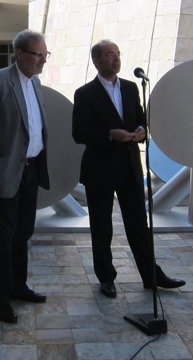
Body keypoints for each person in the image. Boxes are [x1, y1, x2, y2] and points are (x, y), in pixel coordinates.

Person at [72, 40, 185, 298]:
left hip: (129, 168)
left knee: (138, 225)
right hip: (99, 169)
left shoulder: (132, 88)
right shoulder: (84, 93)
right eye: (110, 55)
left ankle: (151, 275)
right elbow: (79, 133)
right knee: (101, 227)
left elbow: (140, 118)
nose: (116, 59)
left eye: (118, 54)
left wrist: (142, 130)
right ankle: (106, 278)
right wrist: (110, 134)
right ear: (97, 61)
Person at [0, 29, 51, 324]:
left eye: (45, 54)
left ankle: (18, 286)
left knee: (23, 233)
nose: (42, 60)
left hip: (30, 171)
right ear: (19, 54)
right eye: (37, 54)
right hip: (4, 173)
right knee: (4, 236)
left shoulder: (36, 82)